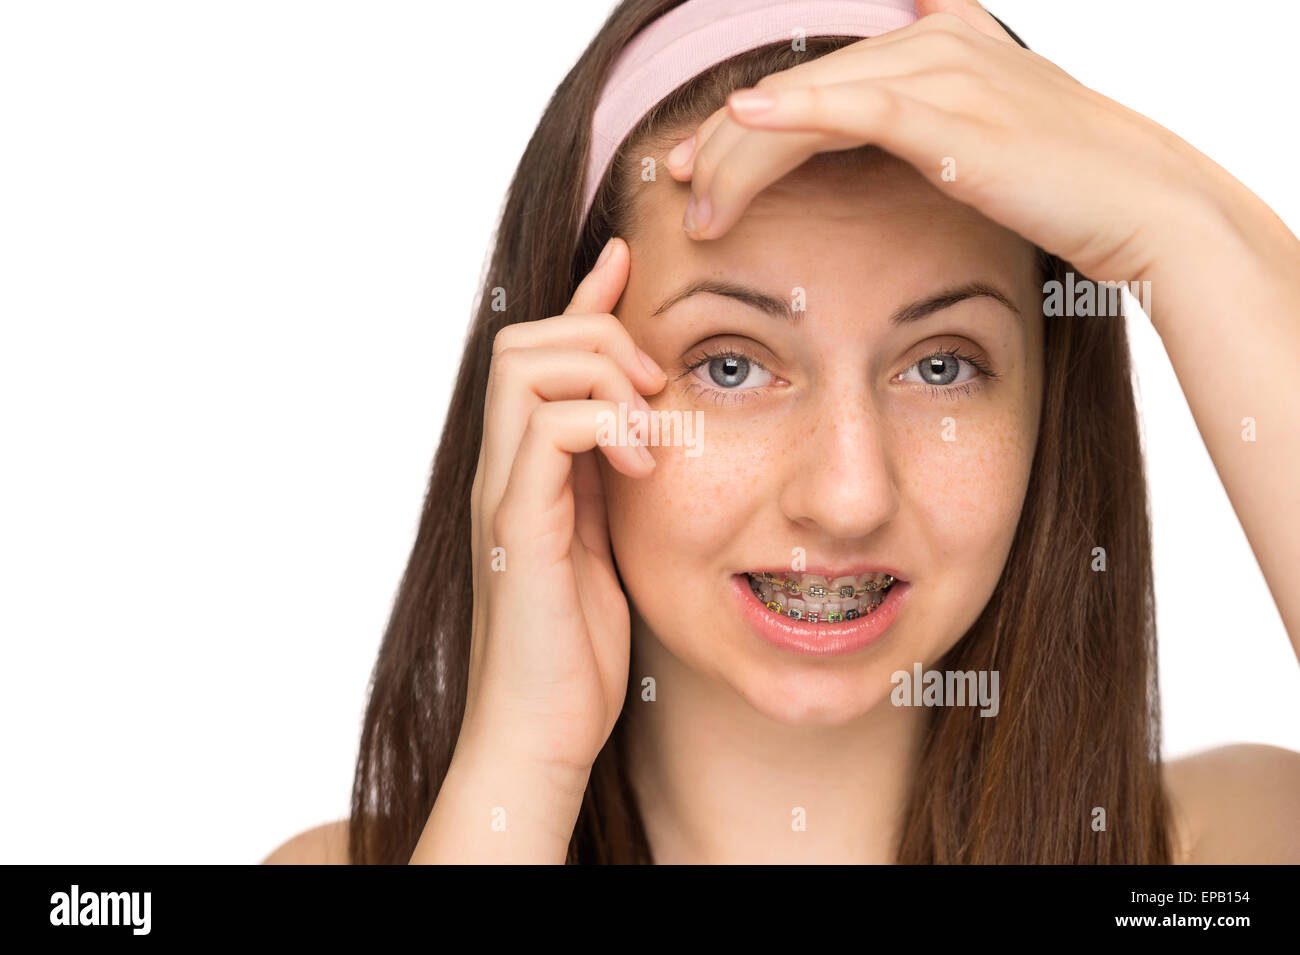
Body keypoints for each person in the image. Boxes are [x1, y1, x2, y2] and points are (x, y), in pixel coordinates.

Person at [265, 0, 1300, 864]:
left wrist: (1187, 227)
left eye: (941, 365)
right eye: (728, 364)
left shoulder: (1232, 846)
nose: (847, 495)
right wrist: (523, 761)